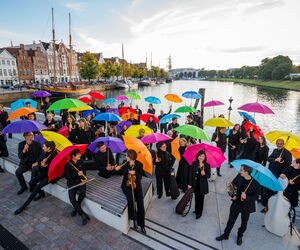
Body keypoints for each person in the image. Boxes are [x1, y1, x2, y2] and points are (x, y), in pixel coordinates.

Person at [216, 165, 260, 246]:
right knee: (230, 220)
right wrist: (232, 195)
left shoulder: (256, 183)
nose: (240, 171)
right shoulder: (239, 176)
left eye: (241, 170)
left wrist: (247, 197)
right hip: (236, 203)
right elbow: (230, 186)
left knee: (244, 223)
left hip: (246, 206)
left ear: (246, 172)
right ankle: (226, 235)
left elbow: (256, 197)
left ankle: (240, 236)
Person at [14, 141, 57, 215]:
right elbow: (41, 164)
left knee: (37, 187)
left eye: (44, 146)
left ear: (49, 148)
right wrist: (41, 164)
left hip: (50, 176)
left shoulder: (53, 156)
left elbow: (51, 169)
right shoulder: (47, 153)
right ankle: (42, 193)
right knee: (31, 182)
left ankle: (25, 205)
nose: (43, 147)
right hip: (44, 173)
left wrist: (44, 166)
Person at [115, 150, 146, 234]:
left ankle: (142, 225)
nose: (125, 157)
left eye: (127, 156)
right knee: (131, 200)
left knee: (140, 203)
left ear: (131, 157)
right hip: (127, 185)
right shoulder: (125, 163)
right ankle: (134, 219)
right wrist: (117, 169)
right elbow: (122, 173)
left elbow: (140, 177)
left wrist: (135, 172)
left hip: (136, 185)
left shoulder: (139, 164)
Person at [261, 139, 292, 212]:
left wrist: (284, 173)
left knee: (274, 192)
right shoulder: (275, 150)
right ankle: (266, 206)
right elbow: (268, 159)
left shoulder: (287, 153)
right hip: (271, 173)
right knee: (268, 190)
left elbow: (288, 166)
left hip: (279, 175)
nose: (279, 145)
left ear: (283, 144)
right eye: (278, 143)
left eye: (281, 143)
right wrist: (275, 159)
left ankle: (271, 208)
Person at [64, 149, 90, 225]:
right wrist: (76, 174)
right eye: (78, 154)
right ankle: (82, 214)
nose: (80, 155)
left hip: (80, 182)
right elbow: (67, 176)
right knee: (72, 199)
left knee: (82, 193)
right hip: (72, 183)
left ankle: (76, 208)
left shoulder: (81, 162)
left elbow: (84, 172)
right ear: (73, 156)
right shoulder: (68, 164)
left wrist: (83, 181)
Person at [188, 150, 211, 219]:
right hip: (195, 184)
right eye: (200, 156)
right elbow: (190, 174)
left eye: (203, 156)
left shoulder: (207, 165)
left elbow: (209, 176)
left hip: (202, 186)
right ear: (197, 156)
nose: (201, 157)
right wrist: (189, 183)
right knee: (196, 198)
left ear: (205, 157)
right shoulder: (194, 163)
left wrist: (204, 174)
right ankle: (196, 210)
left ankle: (199, 213)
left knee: (201, 199)